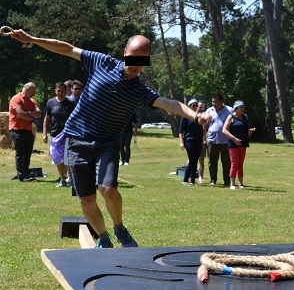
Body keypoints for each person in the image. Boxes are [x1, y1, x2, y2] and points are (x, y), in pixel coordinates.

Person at [9, 29, 208, 248]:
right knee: (86, 199)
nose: (135, 64)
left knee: (107, 189)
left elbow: (169, 103)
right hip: (76, 140)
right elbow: (67, 48)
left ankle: (120, 228)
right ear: (125, 52)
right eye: (132, 57)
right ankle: (103, 239)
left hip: (107, 143)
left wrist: (196, 115)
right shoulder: (102, 62)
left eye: (141, 61)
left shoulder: (139, 90)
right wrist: (33, 40)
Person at [43, 81, 76, 187]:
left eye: (62, 90)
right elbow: (46, 119)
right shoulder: (50, 103)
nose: (60, 92)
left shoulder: (71, 103)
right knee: (57, 158)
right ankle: (62, 179)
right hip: (55, 134)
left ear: (66, 91)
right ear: (55, 91)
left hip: (68, 135)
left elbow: (76, 118)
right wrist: (44, 134)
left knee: (68, 158)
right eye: (58, 90)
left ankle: (70, 179)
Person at [9, 82, 41, 182]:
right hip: (17, 129)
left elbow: (39, 113)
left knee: (28, 152)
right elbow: (20, 114)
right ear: (27, 90)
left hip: (28, 129)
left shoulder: (31, 101)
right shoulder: (16, 98)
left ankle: (26, 173)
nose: (34, 94)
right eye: (33, 92)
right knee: (20, 152)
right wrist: (31, 116)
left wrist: (28, 113)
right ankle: (21, 175)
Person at [222, 101, 252, 189]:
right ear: (236, 108)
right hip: (233, 143)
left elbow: (245, 127)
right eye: (240, 107)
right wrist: (234, 139)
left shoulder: (245, 117)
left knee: (240, 164)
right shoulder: (230, 117)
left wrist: (249, 132)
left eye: (243, 107)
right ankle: (232, 184)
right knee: (234, 163)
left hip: (243, 143)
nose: (242, 109)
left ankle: (241, 184)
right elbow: (224, 130)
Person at [205, 93, 232, 187]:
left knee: (226, 162)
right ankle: (213, 179)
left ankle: (227, 181)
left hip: (226, 141)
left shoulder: (229, 110)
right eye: (212, 102)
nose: (214, 104)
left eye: (216, 102)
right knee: (212, 162)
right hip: (212, 140)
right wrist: (204, 138)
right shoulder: (209, 111)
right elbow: (205, 126)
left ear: (221, 101)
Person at [179, 99, 204, 186]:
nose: (196, 107)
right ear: (189, 106)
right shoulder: (185, 116)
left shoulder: (199, 116)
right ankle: (185, 180)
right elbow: (181, 131)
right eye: (194, 105)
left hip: (198, 140)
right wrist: (181, 142)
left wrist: (202, 140)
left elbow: (202, 130)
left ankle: (193, 180)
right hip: (189, 140)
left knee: (196, 159)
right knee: (191, 159)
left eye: (197, 105)